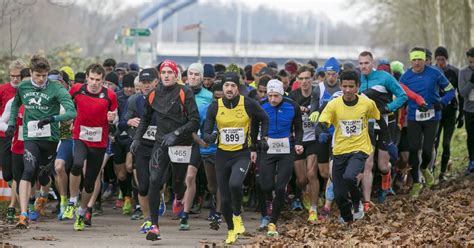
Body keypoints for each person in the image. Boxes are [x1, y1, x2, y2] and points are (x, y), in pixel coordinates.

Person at [132, 60, 200, 241]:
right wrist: (138, 138)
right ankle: (154, 226)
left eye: (171, 72)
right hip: (161, 143)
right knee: (154, 180)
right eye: (164, 72)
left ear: (176, 75)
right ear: (160, 76)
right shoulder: (154, 94)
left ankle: (178, 196)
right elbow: (145, 119)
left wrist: (176, 133)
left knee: (179, 183)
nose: (167, 75)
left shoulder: (185, 92)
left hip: (181, 143)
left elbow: (195, 121)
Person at [7, 55, 76, 229]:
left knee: (43, 173)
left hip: (50, 139)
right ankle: (23, 214)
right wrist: (11, 124)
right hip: (31, 137)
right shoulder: (23, 86)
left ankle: (44, 196)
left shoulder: (56, 89)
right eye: (37, 75)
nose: (41, 79)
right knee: (28, 170)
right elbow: (15, 105)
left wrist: (53, 118)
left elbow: (72, 112)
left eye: (44, 76)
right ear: (30, 73)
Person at [202, 71, 269, 244]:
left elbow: (264, 118)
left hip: (242, 153)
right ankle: (231, 230)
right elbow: (207, 130)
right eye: (226, 86)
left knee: (235, 184)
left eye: (233, 86)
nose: (230, 89)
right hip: (222, 155)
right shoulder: (215, 106)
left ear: (238, 88)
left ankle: (237, 215)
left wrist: (263, 138)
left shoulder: (247, 103)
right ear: (222, 87)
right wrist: (209, 137)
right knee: (224, 199)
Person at [317, 69, 380, 223]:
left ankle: (358, 204)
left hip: (359, 149)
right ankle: (348, 218)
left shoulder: (367, 103)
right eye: (345, 86)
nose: (348, 90)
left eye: (351, 86)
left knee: (350, 177)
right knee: (338, 194)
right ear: (340, 86)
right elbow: (322, 122)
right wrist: (322, 131)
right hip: (339, 150)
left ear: (357, 86)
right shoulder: (334, 104)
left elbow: (379, 119)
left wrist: (386, 139)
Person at [66, 63, 118, 231]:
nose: (94, 83)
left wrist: (112, 117)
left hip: (99, 142)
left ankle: (82, 212)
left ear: (103, 81)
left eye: (98, 80)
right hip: (80, 136)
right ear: (86, 78)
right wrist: (69, 119)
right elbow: (68, 106)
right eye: (92, 79)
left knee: (89, 183)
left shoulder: (110, 95)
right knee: (76, 165)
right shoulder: (76, 90)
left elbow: (115, 117)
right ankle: (72, 201)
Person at [400, 47, 455, 198]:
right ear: (411, 60)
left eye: (420, 59)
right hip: (413, 117)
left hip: (432, 117)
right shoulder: (405, 77)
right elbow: (399, 96)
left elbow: (451, 90)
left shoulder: (435, 73)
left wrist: (442, 102)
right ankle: (417, 182)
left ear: (425, 59)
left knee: (427, 149)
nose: (417, 63)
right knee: (413, 149)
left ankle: (425, 168)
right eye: (414, 59)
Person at [358, 51, 407, 209]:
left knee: (383, 165)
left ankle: (387, 179)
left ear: (372, 63)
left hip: (385, 125)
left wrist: (388, 108)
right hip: (366, 126)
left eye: (366, 63)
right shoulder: (357, 80)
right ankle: (366, 201)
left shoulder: (384, 77)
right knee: (367, 164)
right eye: (361, 63)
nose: (363, 66)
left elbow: (402, 96)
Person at [259, 79, 303, 237]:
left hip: (286, 150)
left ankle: (273, 221)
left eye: (275, 96)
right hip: (267, 149)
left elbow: (298, 128)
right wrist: (255, 145)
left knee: (280, 188)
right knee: (265, 186)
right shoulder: (261, 105)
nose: (272, 99)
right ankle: (267, 207)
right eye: (269, 95)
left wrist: (298, 143)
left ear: (282, 94)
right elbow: (253, 126)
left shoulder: (292, 106)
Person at [122, 68, 159, 232]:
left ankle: (158, 203)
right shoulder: (134, 100)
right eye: (143, 82)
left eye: (149, 82)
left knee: (157, 182)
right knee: (143, 186)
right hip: (142, 146)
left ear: (156, 82)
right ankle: (148, 219)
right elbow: (122, 123)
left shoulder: (165, 98)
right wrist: (130, 121)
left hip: (159, 146)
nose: (146, 85)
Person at [288, 65, 320, 223]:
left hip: (313, 138)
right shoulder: (292, 96)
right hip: (298, 140)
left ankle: (313, 209)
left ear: (312, 79)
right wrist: (296, 111)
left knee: (311, 174)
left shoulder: (317, 94)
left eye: (307, 78)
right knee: (301, 179)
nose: (304, 81)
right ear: (297, 80)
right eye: (301, 78)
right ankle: (303, 193)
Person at [0, 59, 26, 224]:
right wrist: (7, 127)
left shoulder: (28, 91)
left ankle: (17, 205)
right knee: (8, 173)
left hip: (24, 136)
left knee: (20, 173)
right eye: (12, 76)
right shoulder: (3, 90)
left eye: (18, 76)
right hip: (5, 135)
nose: (15, 79)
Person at [433, 46, 462, 182]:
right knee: (434, 142)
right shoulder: (432, 72)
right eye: (438, 59)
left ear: (447, 59)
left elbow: (460, 93)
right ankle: (431, 170)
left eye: (442, 59)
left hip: (451, 111)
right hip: (436, 111)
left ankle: (443, 172)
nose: (440, 63)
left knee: (446, 143)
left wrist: (461, 114)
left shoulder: (454, 72)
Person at [458, 47, 474, 175]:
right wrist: (471, 81)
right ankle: (472, 161)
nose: (472, 64)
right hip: (469, 110)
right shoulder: (463, 72)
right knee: (471, 137)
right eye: (470, 62)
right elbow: (462, 93)